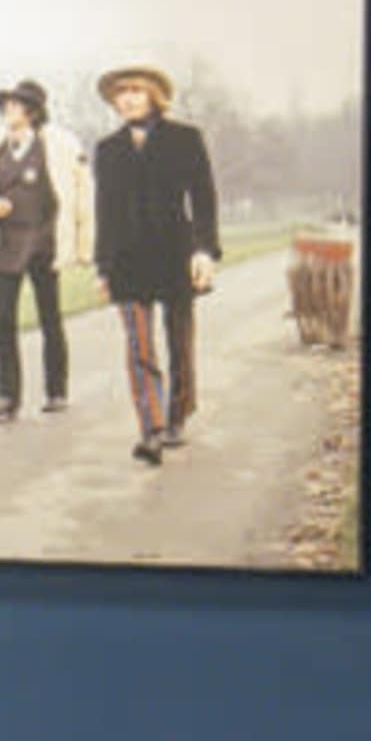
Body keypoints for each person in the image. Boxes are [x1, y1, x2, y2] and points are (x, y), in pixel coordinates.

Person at [90, 63, 216, 467]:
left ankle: (179, 413)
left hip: (175, 253)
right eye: (120, 93)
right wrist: (102, 267)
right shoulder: (108, 150)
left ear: (153, 95)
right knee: (138, 346)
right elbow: (104, 211)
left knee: (179, 342)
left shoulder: (186, 139)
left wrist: (204, 251)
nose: (126, 99)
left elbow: (203, 199)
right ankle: (152, 429)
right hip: (127, 261)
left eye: (135, 91)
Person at [0, 79, 90, 419]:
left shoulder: (55, 148)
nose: (9, 110)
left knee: (50, 317)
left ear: (32, 112)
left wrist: (75, 239)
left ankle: (56, 390)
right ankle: (8, 395)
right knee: (4, 321)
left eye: (16, 105)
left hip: (43, 243)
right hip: (6, 247)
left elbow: (70, 193)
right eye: (6, 105)